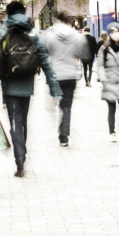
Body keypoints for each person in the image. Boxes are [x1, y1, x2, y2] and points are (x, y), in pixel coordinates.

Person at [0, 1, 62, 177]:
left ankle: (19, 160)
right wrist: (55, 89)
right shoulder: (32, 33)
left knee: (14, 122)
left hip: (9, 85)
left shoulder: (1, 32)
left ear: (8, 13)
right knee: (23, 121)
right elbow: (46, 62)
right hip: (27, 85)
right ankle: (23, 153)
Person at [44, 12, 91, 147]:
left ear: (58, 20)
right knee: (67, 106)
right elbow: (85, 54)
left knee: (61, 104)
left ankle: (62, 129)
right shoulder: (76, 36)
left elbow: (45, 52)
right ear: (69, 21)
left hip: (56, 75)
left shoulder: (50, 35)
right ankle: (64, 136)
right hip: (70, 75)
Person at [97, 22, 119, 142]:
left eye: (118, 32)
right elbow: (100, 64)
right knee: (111, 109)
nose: (116, 35)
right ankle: (112, 132)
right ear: (110, 35)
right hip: (110, 82)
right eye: (113, 33)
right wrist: (103, 78)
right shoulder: (104, 48)